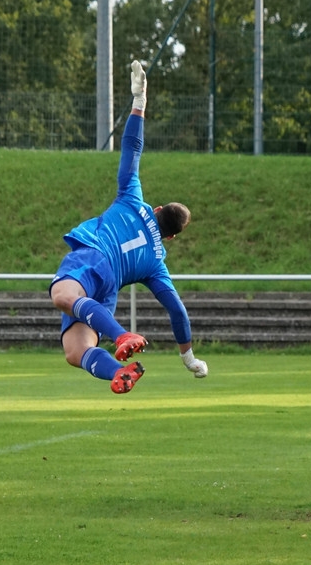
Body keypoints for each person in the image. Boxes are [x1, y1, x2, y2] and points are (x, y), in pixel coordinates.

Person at [49, 60, 208, 393]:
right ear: (171, 236)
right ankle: (120, 372)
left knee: (61, 294)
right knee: (76, 351)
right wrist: (189, 358)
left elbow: (132, 148)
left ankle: (121, 335)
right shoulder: (156, 263)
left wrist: (140, 100)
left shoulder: (133, 198)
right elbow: (176, 310)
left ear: (158, 208)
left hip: (94, 256)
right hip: (107, 289)